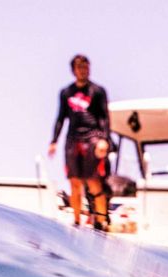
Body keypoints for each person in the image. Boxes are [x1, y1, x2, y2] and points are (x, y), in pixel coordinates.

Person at [48, 54, 111, 230]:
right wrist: (54, 141)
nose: (83, 70)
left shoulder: (98, 91)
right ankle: (77, 221)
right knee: (74, 182)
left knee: (93, 181)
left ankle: (100, 220)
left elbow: (105, 118)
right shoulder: (66, 93)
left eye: (86, 67)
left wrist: (104, 140)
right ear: (74, 70)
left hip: (92, 137)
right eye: (80, 67)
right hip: (73, 139)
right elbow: (60, 118)